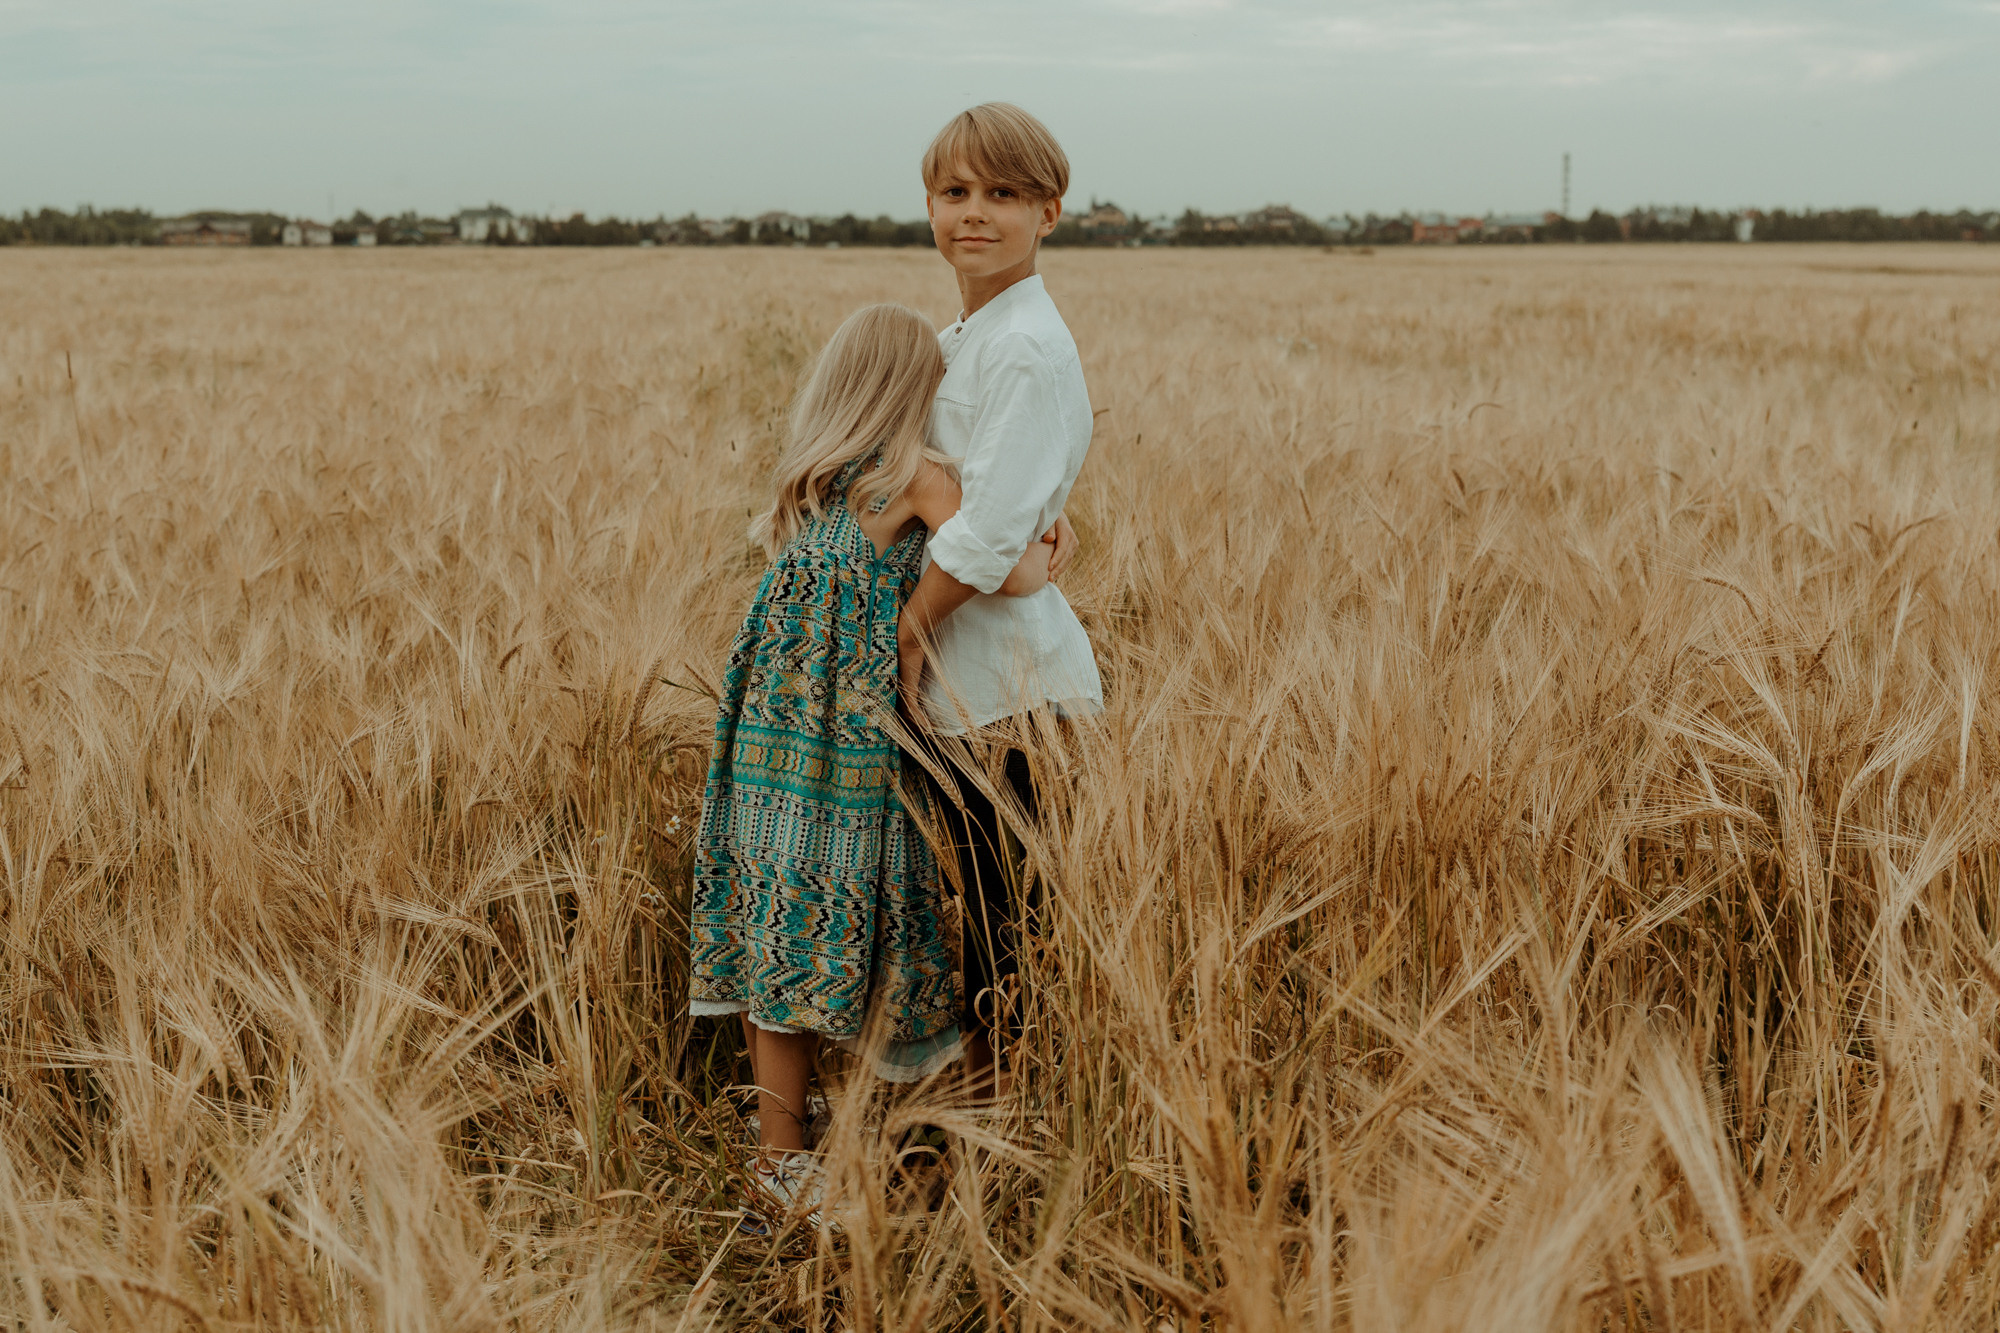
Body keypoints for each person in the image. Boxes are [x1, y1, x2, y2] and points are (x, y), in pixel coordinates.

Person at [685, 302, 1058, 1223]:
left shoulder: (811, 478)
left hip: (769, 730)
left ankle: (781, 1158)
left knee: (778, 907)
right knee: (849, 901)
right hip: (847, 737)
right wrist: (1054, 543)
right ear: (918, 391)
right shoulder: (917, 474)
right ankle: (863, 1138)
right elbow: (1002, 561)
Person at [898, 104, 1104, 1097]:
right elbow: (988, 496)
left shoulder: (1017, 344)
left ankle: (1007, 1133)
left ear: (1048, 212)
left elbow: (982, 536)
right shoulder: (968, 333)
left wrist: (901, 632)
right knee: (982, 915)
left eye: (1003, 194)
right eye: (954, 192)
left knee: (1000, 928)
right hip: (974, 676)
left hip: (1000, 688)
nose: (972, 214)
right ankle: (990, 1114)